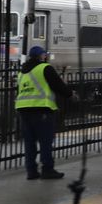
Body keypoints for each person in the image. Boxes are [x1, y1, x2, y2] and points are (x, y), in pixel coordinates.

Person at [15, 46, 75, 180]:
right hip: (41, 109)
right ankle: (47, 169)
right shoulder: (44, 68)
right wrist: (70, 94)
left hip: (23, 109)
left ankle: (31, 171)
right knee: (45, 141)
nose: (45, 56)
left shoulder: (22, 72)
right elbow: (58, 85)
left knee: (29, 142)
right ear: (40, 56)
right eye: (44, 54)